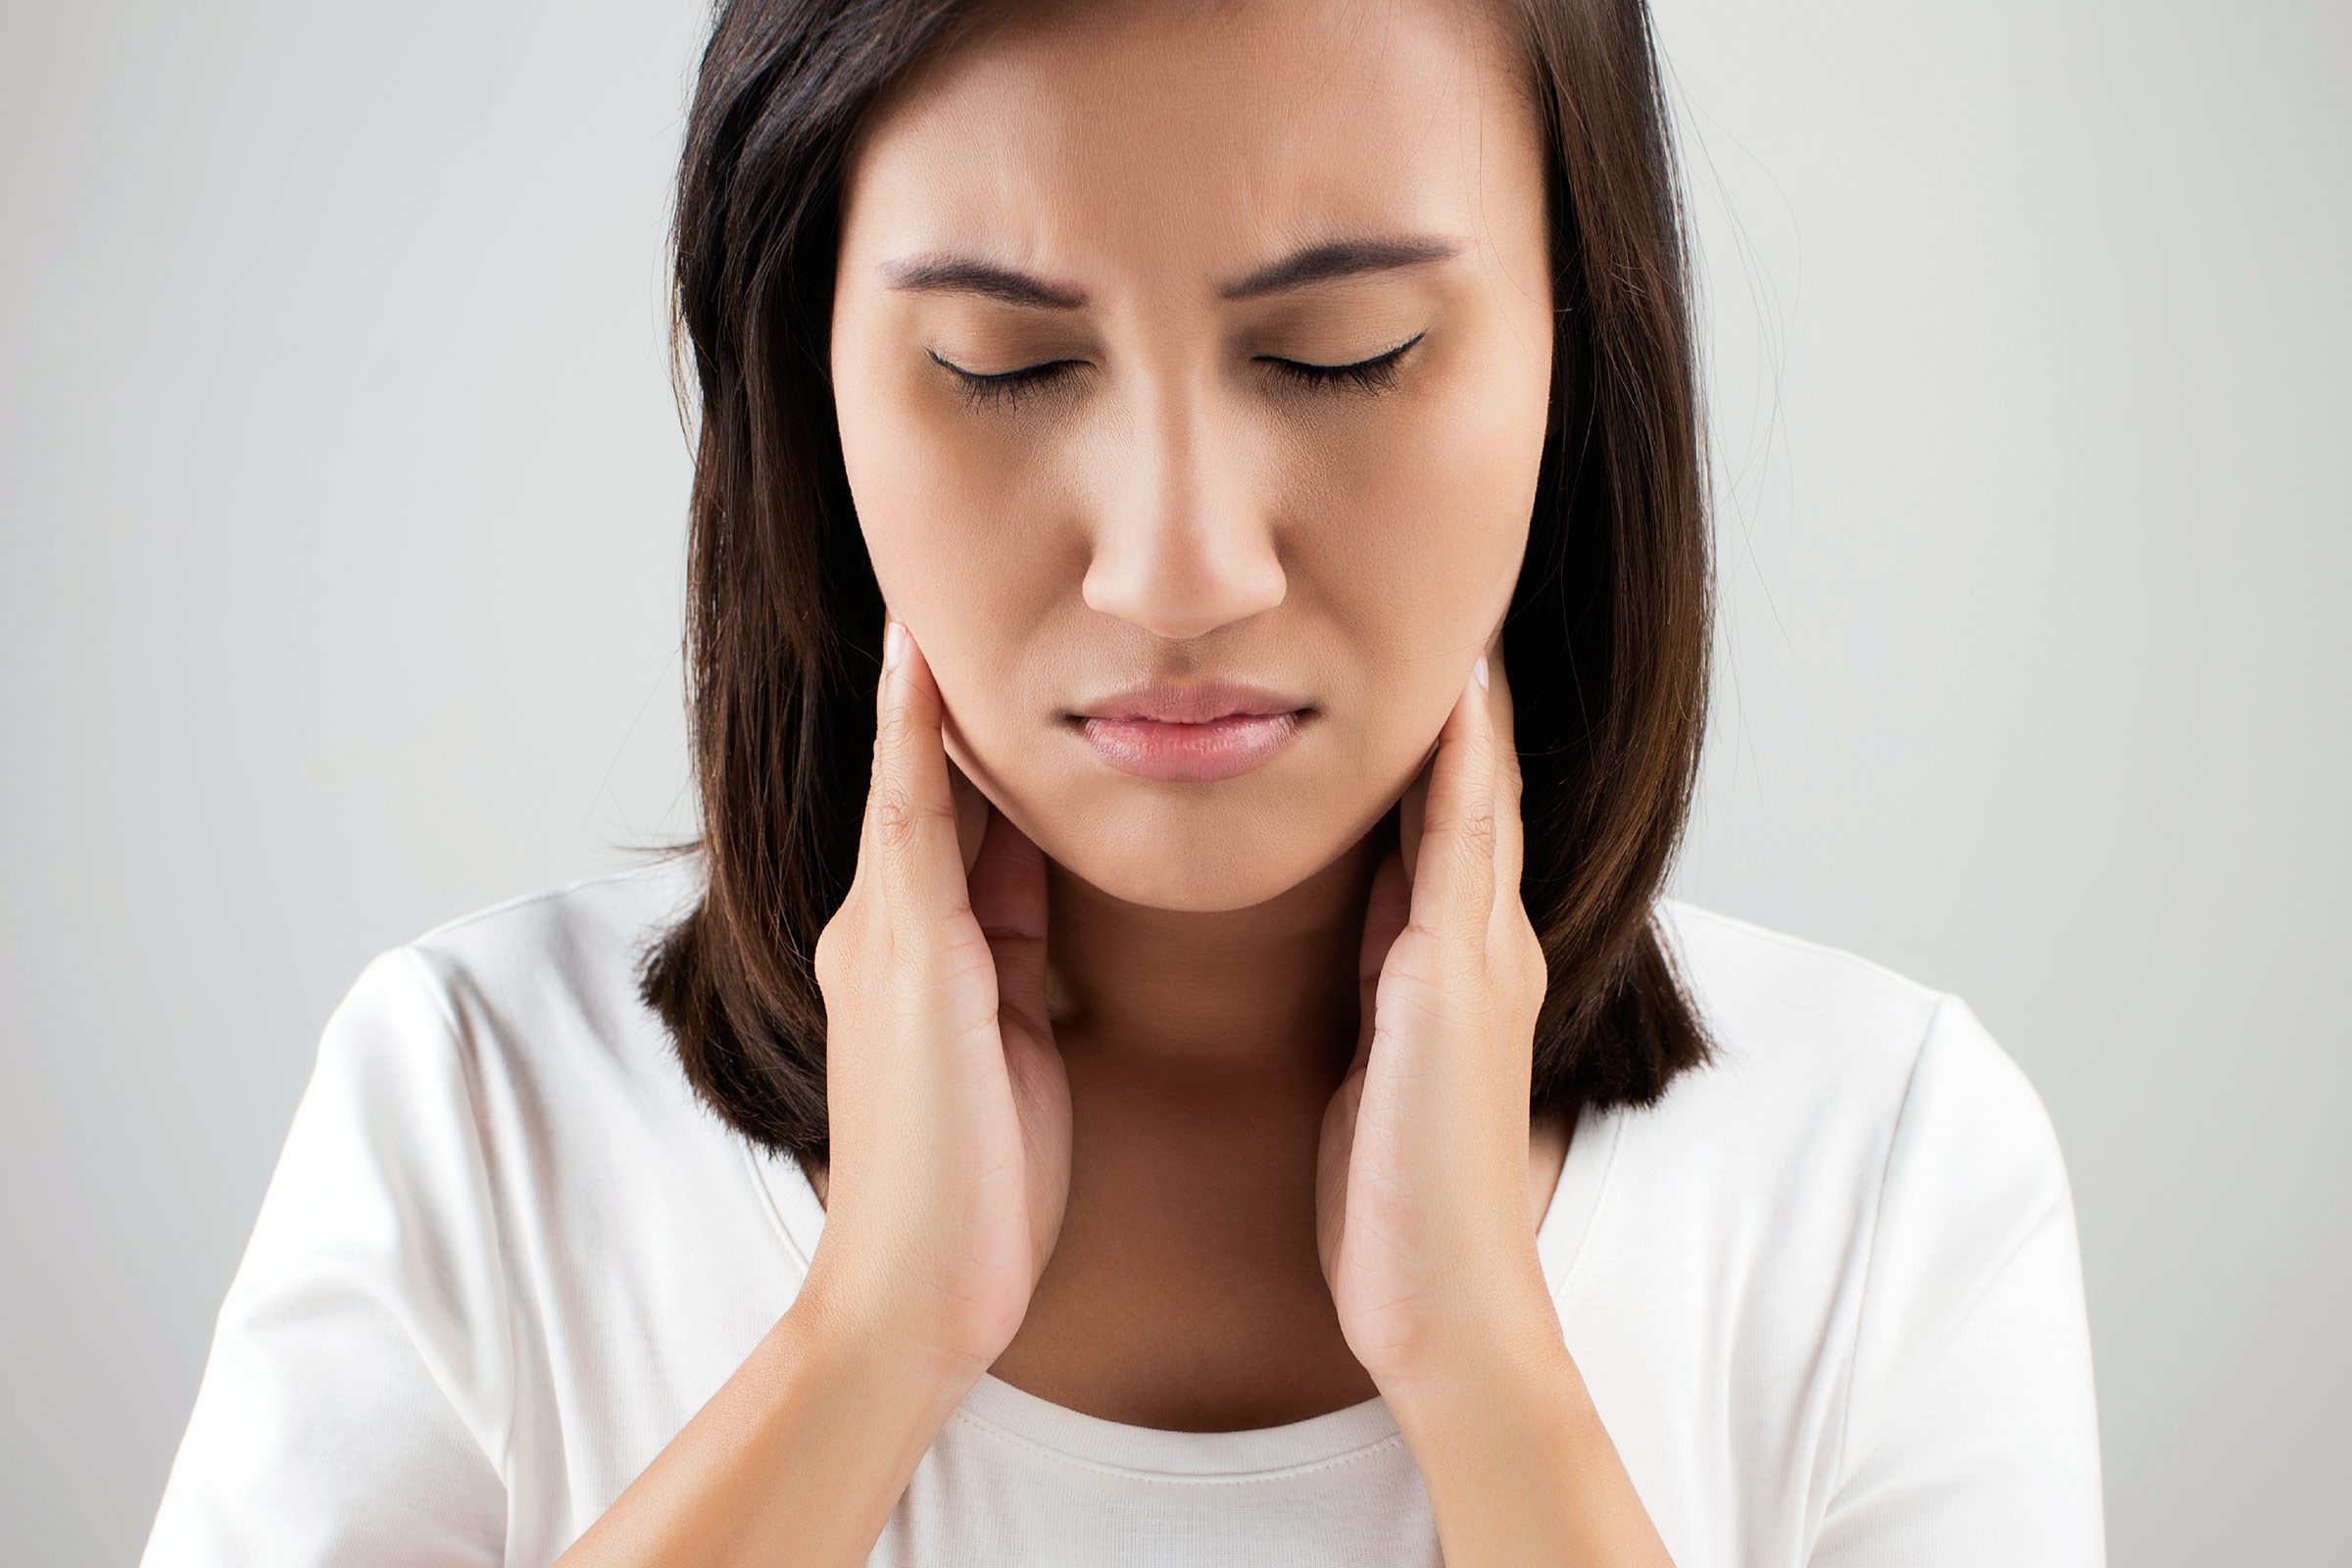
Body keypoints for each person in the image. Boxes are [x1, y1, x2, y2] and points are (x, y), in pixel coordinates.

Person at [138, 0, 2106, 1563]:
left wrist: (1495, 1380)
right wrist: (862, 1351)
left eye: (1343, 353)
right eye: (1003, 363)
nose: (1178, 567)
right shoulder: (479, 1122)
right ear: (806, 379)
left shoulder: (1887, 1181)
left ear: (1579, 354)